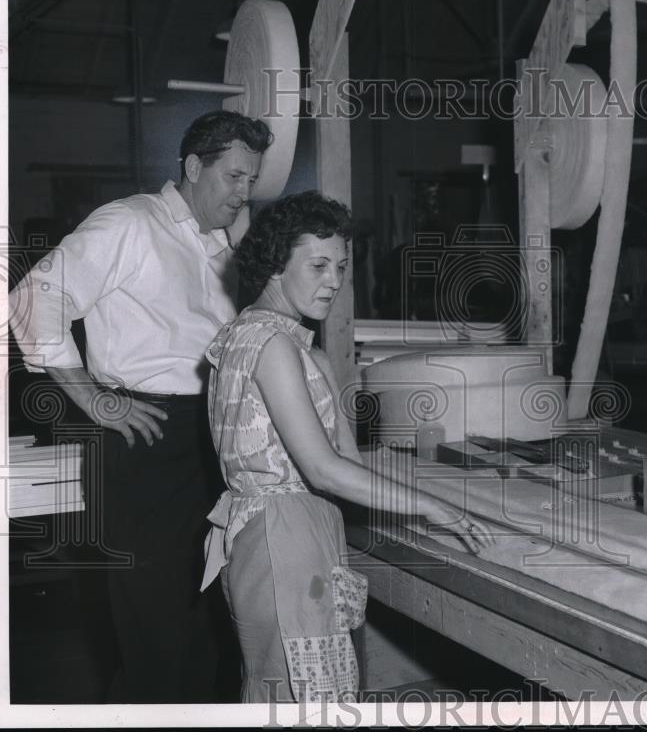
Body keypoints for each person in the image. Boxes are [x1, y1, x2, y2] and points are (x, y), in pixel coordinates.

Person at [9, 110, 274, 702]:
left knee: (212, 625)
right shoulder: (130, 222)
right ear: (191, 167)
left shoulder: (219, 244)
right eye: (233, 177)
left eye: (251, 181)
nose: (243, 193)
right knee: (158, 636)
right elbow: (33, 298)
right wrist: (95, 401)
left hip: (211, 436)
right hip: (145, 437)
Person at [201, 191, 496, 704]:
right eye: (317, 265)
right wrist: (434, 508)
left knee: (311, 692)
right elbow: (324, 469)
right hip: (284, 537)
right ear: (274, 264)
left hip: (295, 531)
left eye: (339, 266)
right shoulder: (270, 345)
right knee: (304, 700)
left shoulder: (274, 340)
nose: (334, 281)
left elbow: (345, 459)